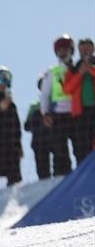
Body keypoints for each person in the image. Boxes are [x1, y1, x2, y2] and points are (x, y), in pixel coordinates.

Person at [40, 35, 77, 171]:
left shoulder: (78, 68)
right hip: (58, 115)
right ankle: (62, 179)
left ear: (71, 50)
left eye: (65, 49)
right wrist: (45, 114)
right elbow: (44, 95)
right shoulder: (52, 71)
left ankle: (82, 178)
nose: (62, 53)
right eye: (59, 50)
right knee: (60, 151)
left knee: (80, 147)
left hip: (76, 114)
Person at [23, 73, 69, 179]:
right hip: (39, 141)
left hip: (56, 139)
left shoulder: (58, 103)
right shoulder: (34, 106)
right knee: (43, 171)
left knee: (60, 168)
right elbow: (27, 126)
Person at [62, 37, 95, 162]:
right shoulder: (73, 68)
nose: (85, 52)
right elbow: (66, 89)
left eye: (87, 49)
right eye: (82, 50)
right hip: (80, 113)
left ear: (93, 49)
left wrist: (90, 69)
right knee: (81, 145)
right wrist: (80, 73)